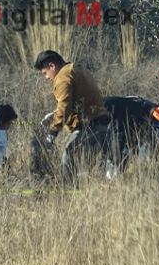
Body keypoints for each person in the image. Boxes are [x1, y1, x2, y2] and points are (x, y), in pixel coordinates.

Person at [33, 50, 111, 186]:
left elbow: (64, 108)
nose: (46, 78)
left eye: (45, 73)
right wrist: (54, 113)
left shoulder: (62, 77)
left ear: (52, 66)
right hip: (103, 124)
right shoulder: (78, 68)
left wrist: (51, 134)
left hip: (89, 127)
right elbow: (78, 100)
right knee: (94, 168)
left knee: (68, 158)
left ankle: (68, 196)